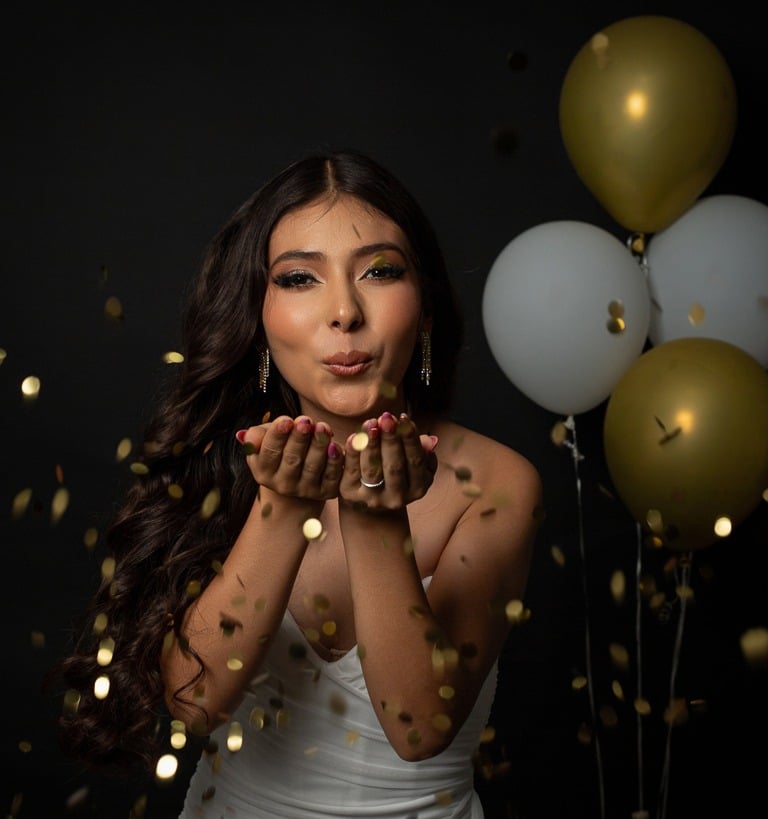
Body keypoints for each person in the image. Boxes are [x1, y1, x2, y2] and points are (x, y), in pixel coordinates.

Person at [51, 149, 543, 818]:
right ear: (258, 316)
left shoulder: (498, 481)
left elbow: (419, 727)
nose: (344, 311)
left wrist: (374, 519)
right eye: (300, 278)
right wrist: (280, 510)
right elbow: (194, 702)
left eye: (379, 270)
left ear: (424, 306)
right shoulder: (216, 458)